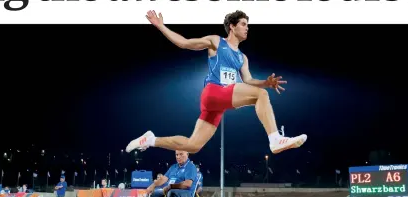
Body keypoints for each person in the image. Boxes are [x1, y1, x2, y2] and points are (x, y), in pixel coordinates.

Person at [126, 10, 307, 155]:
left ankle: (150, 140)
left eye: (247, 25)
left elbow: (249, 80)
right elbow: (185, 43)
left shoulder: (242, 57)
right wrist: (161, 26)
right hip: (214, 92)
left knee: (193, 145)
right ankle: (275, 139)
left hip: (217, 105)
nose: (247, 28)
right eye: (243, 24)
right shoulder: (216, 42)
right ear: (232, 26)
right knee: (261, 96)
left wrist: (265, 82)